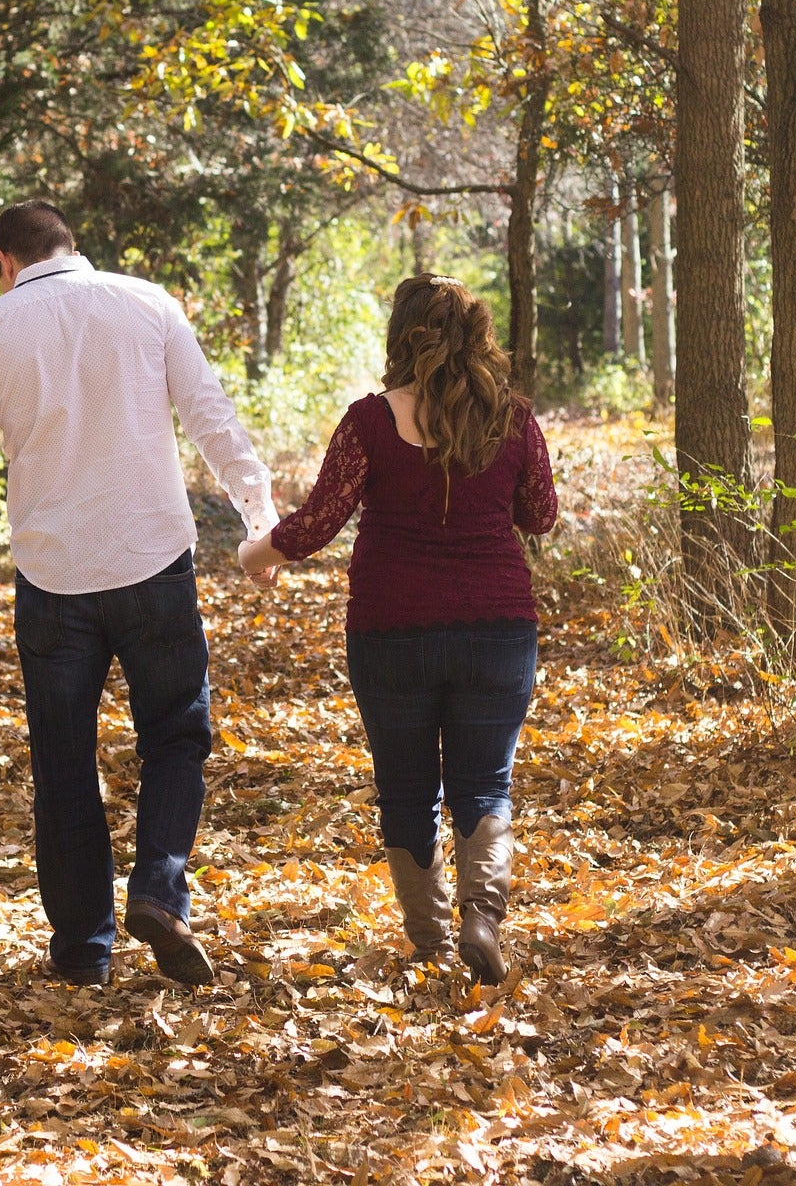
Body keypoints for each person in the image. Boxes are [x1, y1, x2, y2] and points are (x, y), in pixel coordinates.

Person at [0, 200, 277, 987]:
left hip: (53, 582)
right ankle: (158, 886)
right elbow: (211, 419)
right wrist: (262, 521)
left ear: (1, 261)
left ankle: (85, 951)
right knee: (177, 736)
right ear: (71, 246)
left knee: (63, 764)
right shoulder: (147, 303)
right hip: (153, 562)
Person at [238, 275, 557, 984]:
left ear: (401, 335)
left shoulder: (371, 421)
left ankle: (432, 942)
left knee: (407, 789)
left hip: (392, 631)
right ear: (477, 335)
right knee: (485, 786)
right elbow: (540, 515)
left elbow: (318, 523)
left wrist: (252, 553)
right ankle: (482, 916)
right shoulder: (512, 418)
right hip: (497, 629)